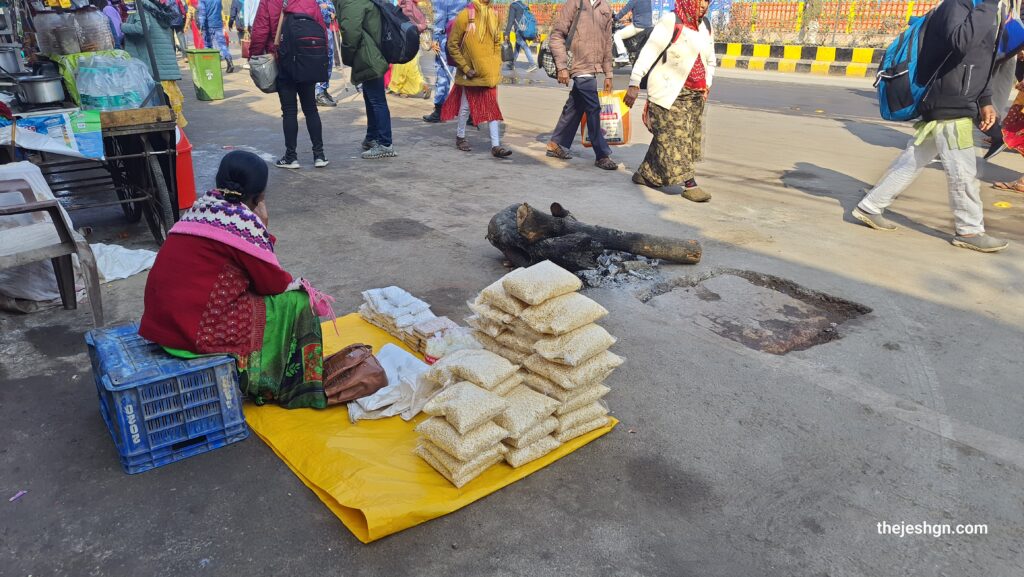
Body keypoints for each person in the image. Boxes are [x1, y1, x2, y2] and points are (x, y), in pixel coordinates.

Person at [140, 151, 333, 409]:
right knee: (300, 300)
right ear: (259, 195)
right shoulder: (243, 224)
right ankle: (291, 386)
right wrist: (263, 226)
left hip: (163, 327)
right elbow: (273, 284)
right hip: (190, 336)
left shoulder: (202, 208)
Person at [853, 0, 1009, 253]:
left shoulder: (983, 8)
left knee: (914, 158)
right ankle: (969, 229)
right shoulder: (956, 6)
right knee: (963, 170)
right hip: (948, 100)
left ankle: (870, 206)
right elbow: (962, 42)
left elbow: (982, 58)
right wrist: (989, 5)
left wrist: (985, 100)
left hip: (960, 98)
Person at [623, 0, 714, 202]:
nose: (704, 5)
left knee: (677, 138)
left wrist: (707, 84)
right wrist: (634, 82)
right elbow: (649, 52)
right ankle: (689, 184)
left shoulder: (705, 24)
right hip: (667, 92)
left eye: (708, 1)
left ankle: (647, 174)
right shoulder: (671, 20)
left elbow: (710, 59)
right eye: (700, 1)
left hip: (695, 94)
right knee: (677, 139)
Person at [250, 0, 329, 168]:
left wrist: (255, 56)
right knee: (311, 109)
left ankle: (291, 157)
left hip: (283, 60)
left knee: (289, 111)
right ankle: (319, 155)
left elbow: (260, 31)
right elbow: (322, 30)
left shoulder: (268, 2)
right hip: (307, 61)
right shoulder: (310, 1)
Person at [547, 0, 618, 170]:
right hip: (577, 65)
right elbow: (557, 35)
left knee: (575, 106)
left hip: (593, 68)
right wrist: (562, 67)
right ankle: (601, 154)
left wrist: (608, 73)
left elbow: (608, 43)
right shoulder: (575, 3)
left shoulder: (605, 8)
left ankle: (556, 143)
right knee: (593, 108)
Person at [442, 0, 511, 157]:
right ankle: (460, 137)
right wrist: (466, 68)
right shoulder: (465, 15)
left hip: (489, 74)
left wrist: (495, 65)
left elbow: (497, 43)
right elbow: (452, 45)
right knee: (465, 107)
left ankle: (496, 146)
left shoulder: (494, 15)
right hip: (470, 73)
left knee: (492, 108)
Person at [339, 0, 397, 159]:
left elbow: (350, 33)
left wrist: (347, 56)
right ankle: (372, 137)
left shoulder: (352, 2)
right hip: (373, 52)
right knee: (371, 96)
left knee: (376, 99)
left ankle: (385, 143)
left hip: (368, 55)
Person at [123, 0, 188, 126]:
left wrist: (122, 26)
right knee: (167, 103)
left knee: (162, 104)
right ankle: (175, 134)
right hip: (163, 62)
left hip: (155, 63)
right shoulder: (155, 8)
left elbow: (142, 28)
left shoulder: (141, 7)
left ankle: (173, 137)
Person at [423, 0, 470, 123]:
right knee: (468, 73)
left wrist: (436, 39)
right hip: (467, 38)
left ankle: (440, 110)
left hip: (448, 38)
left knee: (443, 73)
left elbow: (440, 17)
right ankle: (472, 113)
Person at [388, 0, 431, 99]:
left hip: (409, 43)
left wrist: (412, 29)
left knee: (410, 69)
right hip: (402, 42)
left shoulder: (410, 6)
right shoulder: (401, 6)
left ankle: (424, 86)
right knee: (401, 67)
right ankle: (403, 90)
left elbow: (423, 25)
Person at [198, 0, 234, 73]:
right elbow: (220, 9)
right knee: (222, 44)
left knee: (208, 45)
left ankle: (210, 65)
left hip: (207, 25)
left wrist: (200, 26)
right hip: (218, 24)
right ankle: (229, 61)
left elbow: (202, 13)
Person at [613, 0, 652, 64]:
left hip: (638, 26)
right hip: (648, 26)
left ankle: (624, 55)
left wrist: (615, 18)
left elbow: (624, 11)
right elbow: (642, 11)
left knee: (617, 35)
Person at [314, 0, 337, 107]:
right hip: (318, 29)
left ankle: (324, 89)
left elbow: (332, 7)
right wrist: (327, 11)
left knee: (329, 60)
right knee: (322, 61)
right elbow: (316, 9)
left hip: (328, 30)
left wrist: (328, 8)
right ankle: (318, 92)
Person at [503, 0, 536, 72]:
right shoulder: (523, 5)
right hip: (524, 29)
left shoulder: (513, 5)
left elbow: (510, 20)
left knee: (524, 45)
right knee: (517, 47)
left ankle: (532, 64)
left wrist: (507, 33)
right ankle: (512, 63)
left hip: (519, 29)